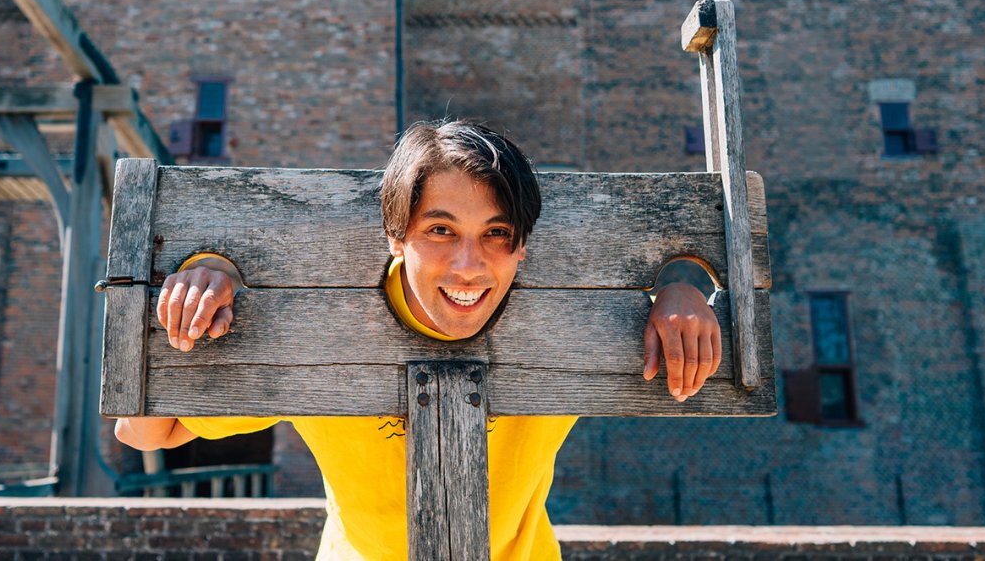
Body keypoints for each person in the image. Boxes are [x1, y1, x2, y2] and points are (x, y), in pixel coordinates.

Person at [115, 121, 721, 560]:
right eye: (439, 229)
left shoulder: (581, 330)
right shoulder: (315, 338)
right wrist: (190, 306)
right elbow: (145, 433)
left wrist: (678, 284)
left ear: (524, 248)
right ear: (395, 238)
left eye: (496, 232)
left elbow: (688, 289)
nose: (468, 265)